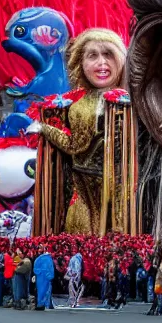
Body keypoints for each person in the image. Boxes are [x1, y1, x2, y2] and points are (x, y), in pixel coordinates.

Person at [28, 28, 127, 234]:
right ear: (81, 64)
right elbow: (75, 145)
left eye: (108, 54)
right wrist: (44, 129)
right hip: (84, 190)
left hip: (124, 194)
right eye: (93, 56)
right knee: (79, 236)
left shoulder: (133, 102)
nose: (101, 63)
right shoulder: (80, 105)